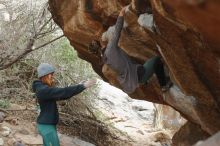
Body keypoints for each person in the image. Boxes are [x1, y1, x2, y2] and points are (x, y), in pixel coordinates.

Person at [97, 7, 172, 94]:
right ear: (101, 45)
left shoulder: (105, 59)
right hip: (140, 75)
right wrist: (121, 14)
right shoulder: (110, 49)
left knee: (150, 64)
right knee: (157, 60)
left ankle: (159, 79)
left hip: (135, 77)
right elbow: (117, 31)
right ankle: (163, 85)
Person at [32, 63, 96, 146]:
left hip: (46, 124)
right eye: (50, 75)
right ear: (45, 75)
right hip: (46, 126)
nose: (52, 77)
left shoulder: (42, 88)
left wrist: (78, 86)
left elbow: (61, 95)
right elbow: (63, 92)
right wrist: (82, 86)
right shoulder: (43, 90)